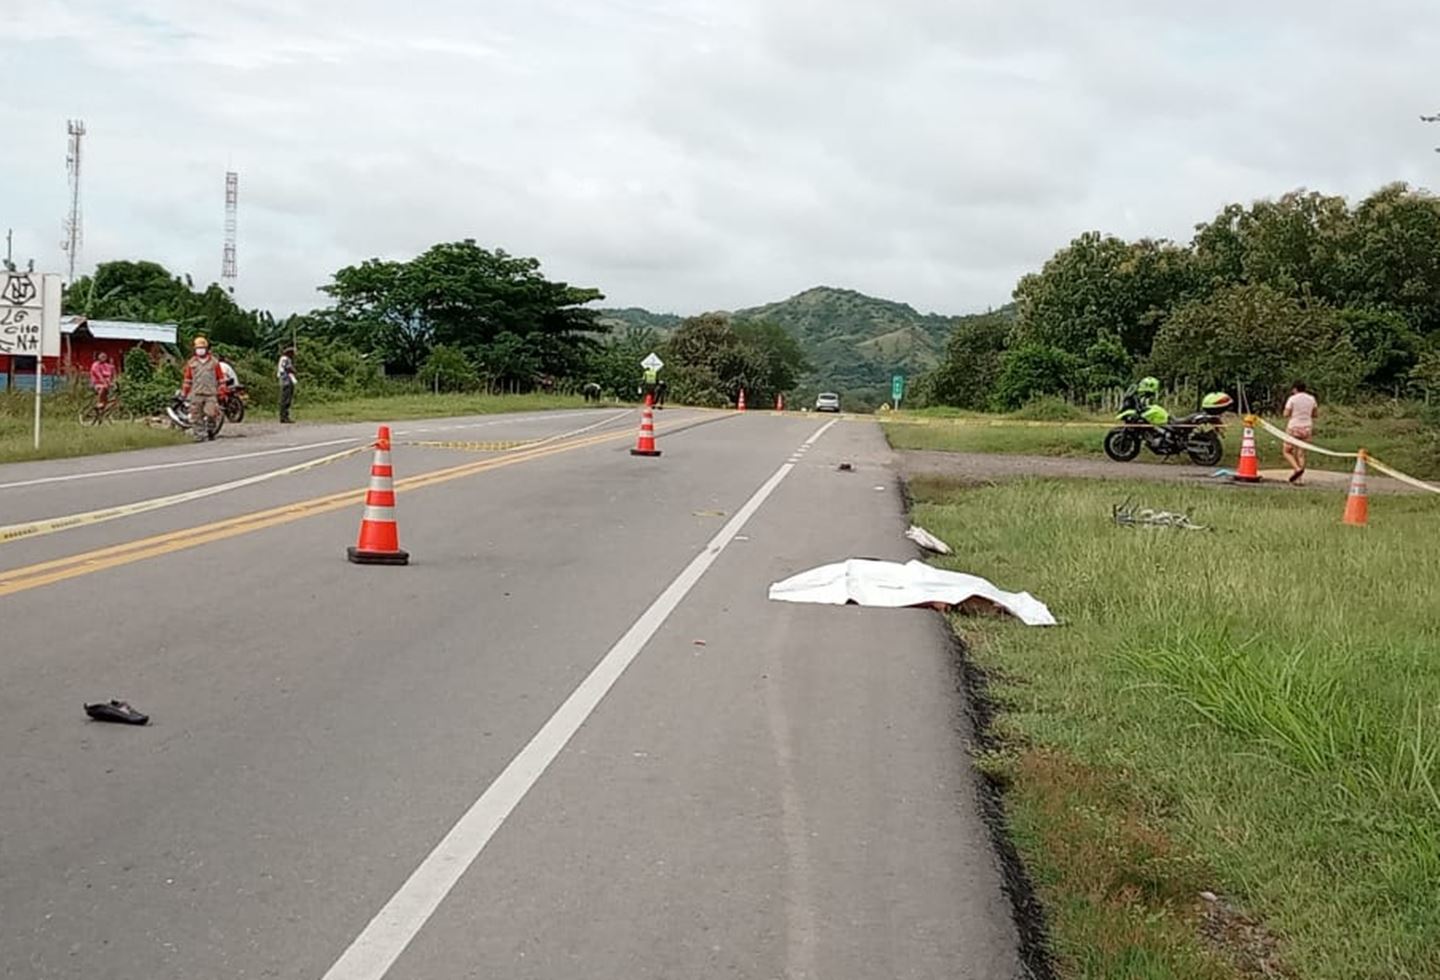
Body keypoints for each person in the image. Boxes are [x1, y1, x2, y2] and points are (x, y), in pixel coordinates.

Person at [181, 336, 227, 442]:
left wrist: (222, 390)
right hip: (196, 393)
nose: (200, 350)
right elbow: (187, 379)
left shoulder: (214, 362)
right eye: (198, 348)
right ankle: (200, 435)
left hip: (211, 394)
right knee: (196, 416)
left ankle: (211, 430)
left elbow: (220, 378)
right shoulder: (191, 363)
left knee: (211, 413)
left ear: (206, 349)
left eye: (202, 348)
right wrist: (185, 392)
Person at [1282, 380, 1318, 484]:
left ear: (1295, 389)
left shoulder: (1292, 399)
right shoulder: (1311, 398)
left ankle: (1297, 469)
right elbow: (1315, 414)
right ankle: (1299, 479)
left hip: (1294, 427)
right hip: (1307, 427)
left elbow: (1286, 414)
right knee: (1301, 453)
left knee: (1287, 451)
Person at [277, 347, 297, 423]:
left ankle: (283, 416)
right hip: (287, 380)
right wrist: (294, 370)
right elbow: (288, 368)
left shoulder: (282, 358)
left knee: (284, 399)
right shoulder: (286, 359)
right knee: (286, 399)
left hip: (283, 379)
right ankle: (284, 416)